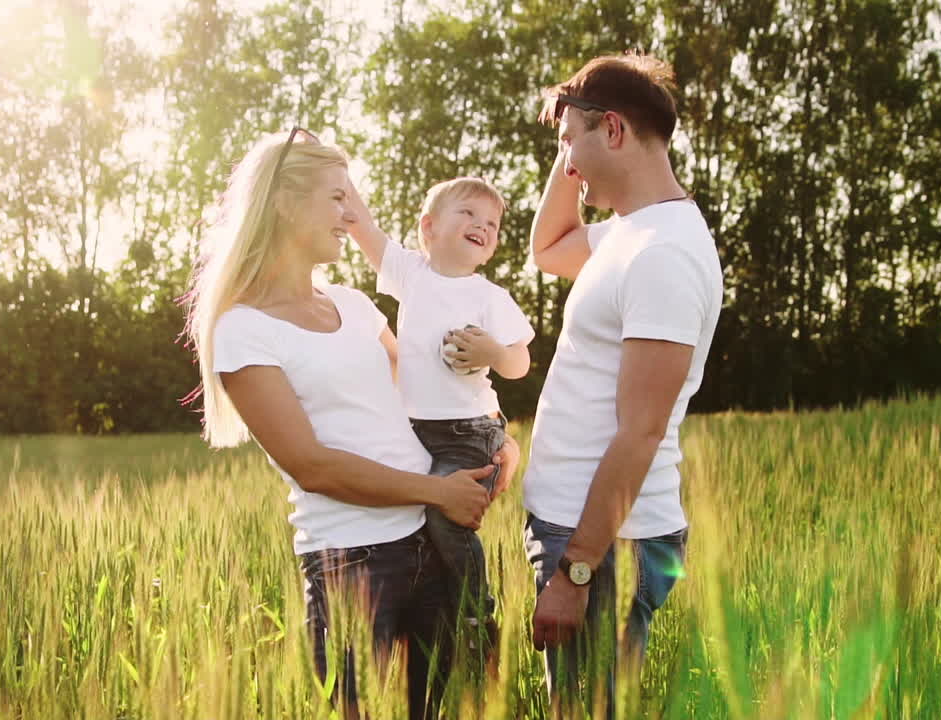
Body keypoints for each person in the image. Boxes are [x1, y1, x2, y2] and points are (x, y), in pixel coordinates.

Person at [182, 128, 516, 720]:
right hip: (354, 568)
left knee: (461, 703)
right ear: (285, 202)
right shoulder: (244, 330)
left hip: (432, 545)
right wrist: (438, 490)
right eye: (337, 198)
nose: (350, 214)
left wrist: (498, 432)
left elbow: (430, 389)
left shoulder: (356, 306)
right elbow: (310, 466)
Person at [523, 55, 724, 717]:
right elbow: (548, 246)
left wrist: (576, 571)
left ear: (614, 131)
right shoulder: (629, 233)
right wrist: (567, 141)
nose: (565, 165)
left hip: (607, 544)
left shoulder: (661, 254)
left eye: (570, 143)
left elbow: (640, 431)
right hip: (590, 533)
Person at [344, 176, 535, 661]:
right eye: (468, 214)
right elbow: (364, 229)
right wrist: (339, 176)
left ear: (491, 247)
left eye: (491, 224)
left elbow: (519, 363)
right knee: (414, 532)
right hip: (413, 432)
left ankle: (478, 613)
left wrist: (492, 350)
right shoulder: (412, 274)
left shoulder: (490, 297)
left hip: (466, 432)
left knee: (445, 518)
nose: (481, 226)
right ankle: (435, 624)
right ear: (428, 228)